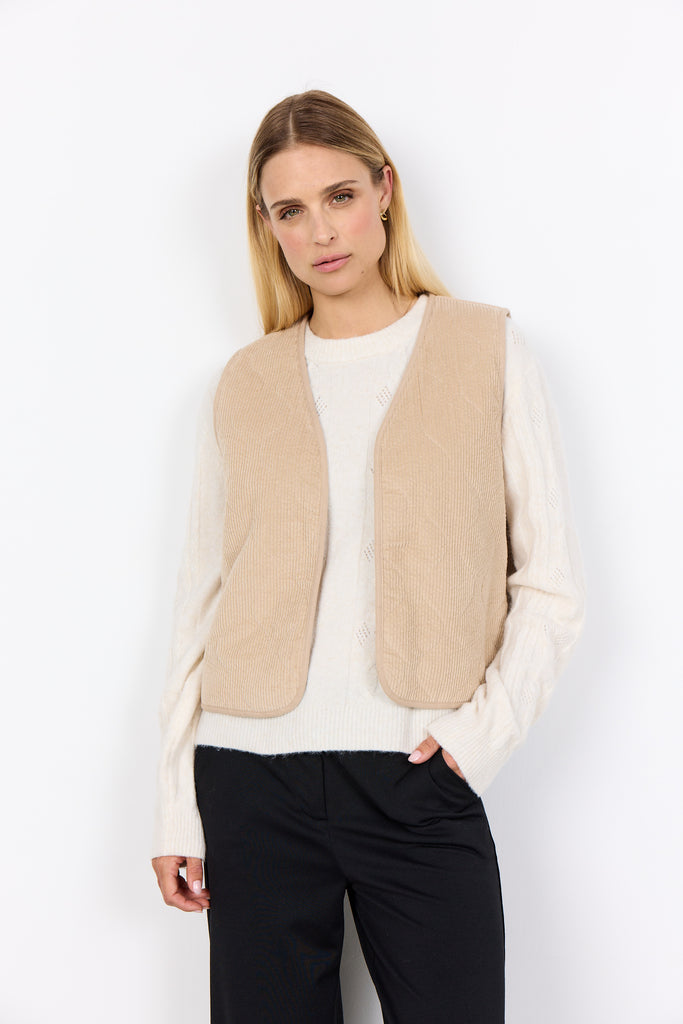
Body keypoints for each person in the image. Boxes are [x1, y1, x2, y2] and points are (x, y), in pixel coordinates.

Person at [151, 89, 585, 1024]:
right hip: (249, 777)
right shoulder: (246, 380)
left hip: (417, 773)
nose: (320, 232)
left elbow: (550, 584)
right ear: (266, 226)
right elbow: (202, 599)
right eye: (289, 210)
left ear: (384, 190)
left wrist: (475, 740)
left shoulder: (487, 348)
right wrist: (176, 805)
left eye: (340, 196)